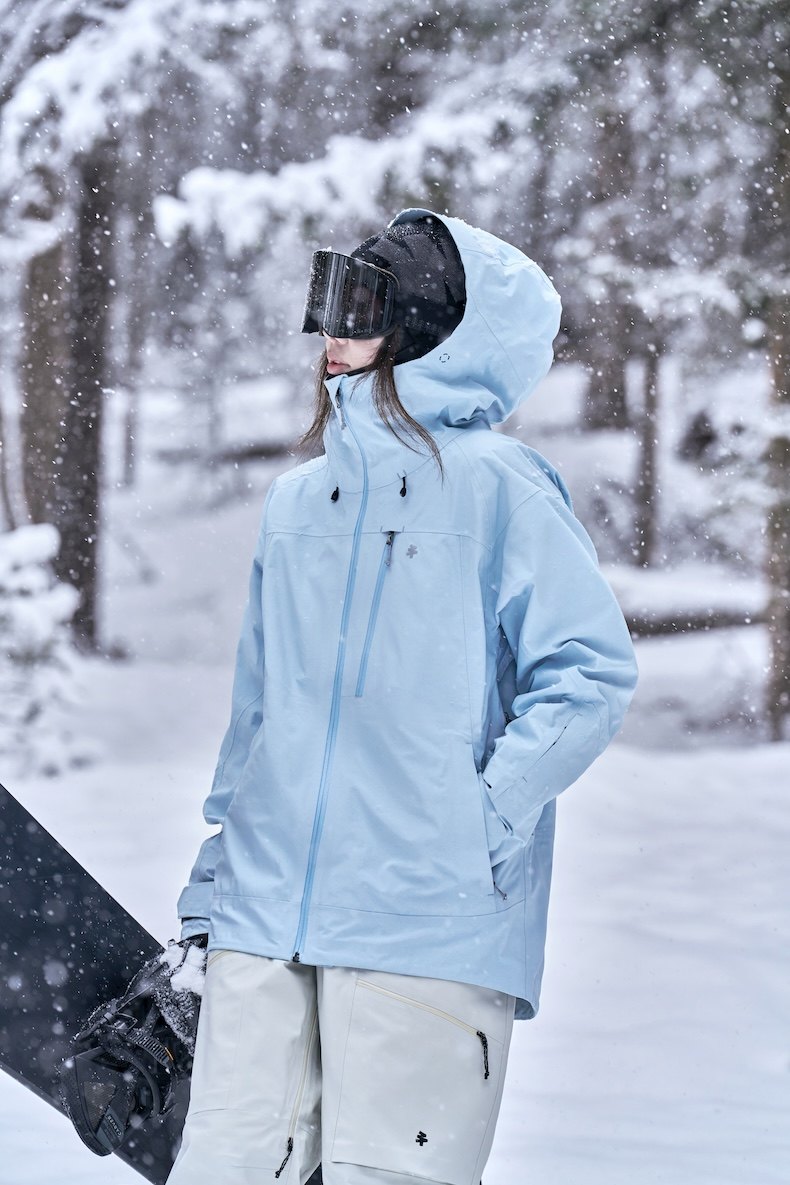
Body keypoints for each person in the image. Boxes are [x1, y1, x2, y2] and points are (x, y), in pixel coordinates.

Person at [167, 209, 638, 1185]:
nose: (329, 331)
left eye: (361, 305)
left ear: (430, 330)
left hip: (424, 925)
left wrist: (476, 823)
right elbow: (258, 718)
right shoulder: (297, 502)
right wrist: (215, 886)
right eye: (327, 299)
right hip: (263, 920)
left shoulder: (498, 487)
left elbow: (587, 672)